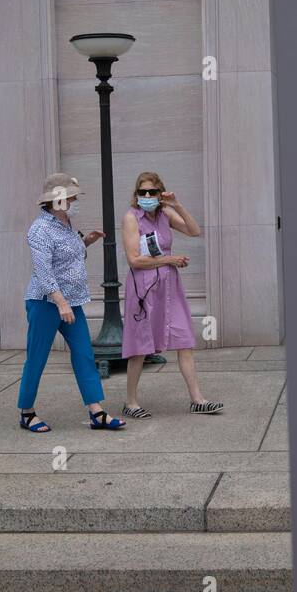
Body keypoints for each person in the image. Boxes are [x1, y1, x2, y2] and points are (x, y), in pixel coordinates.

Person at [17, 172, 125, 432]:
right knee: (37, 357)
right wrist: (60, 302)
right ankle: (27, 412)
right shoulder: (40, 229)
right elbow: (43, 270)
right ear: (56, 201)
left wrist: (87, 241)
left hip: (72, 301)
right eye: (71, 197)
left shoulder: (66, 223)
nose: (75, 200)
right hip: (46, 303)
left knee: (84, 354)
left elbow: (68, 257)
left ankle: (96, 412)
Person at [120, 171, 224, 417]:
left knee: (184, 339)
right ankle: (131, 402)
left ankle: (197, 399)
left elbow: (194, 230)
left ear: (160, 194)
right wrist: (171, 259)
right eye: (142, 192)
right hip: (143, 287)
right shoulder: (131, 218)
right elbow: (134, 259)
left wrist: (176, 204)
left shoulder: (165, 214)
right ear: (136, 195)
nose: (147, 196)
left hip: (169, 287)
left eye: (152, 192)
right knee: (140, 345)